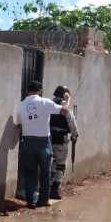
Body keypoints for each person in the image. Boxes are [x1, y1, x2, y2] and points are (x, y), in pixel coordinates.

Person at [14, 80, 71, 208]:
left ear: (27, 91)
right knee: (45, 172)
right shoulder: (45, 102)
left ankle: (31, 201)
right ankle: (44, 200)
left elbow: (19, 124)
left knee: (29, 172)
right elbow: (64, 111)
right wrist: (68, 99)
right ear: (39, 91)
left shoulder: (21, 105)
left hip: (28, 141)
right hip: (43, 142)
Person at [48, 85, 79, 200]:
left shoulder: (50, 104)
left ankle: (48, 188)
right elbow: (71, 123)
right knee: (60, 164)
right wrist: (75, 135)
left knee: (53, 163)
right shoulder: (64, 106)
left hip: (50, 137)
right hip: (62, 138)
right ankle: (54, 190)